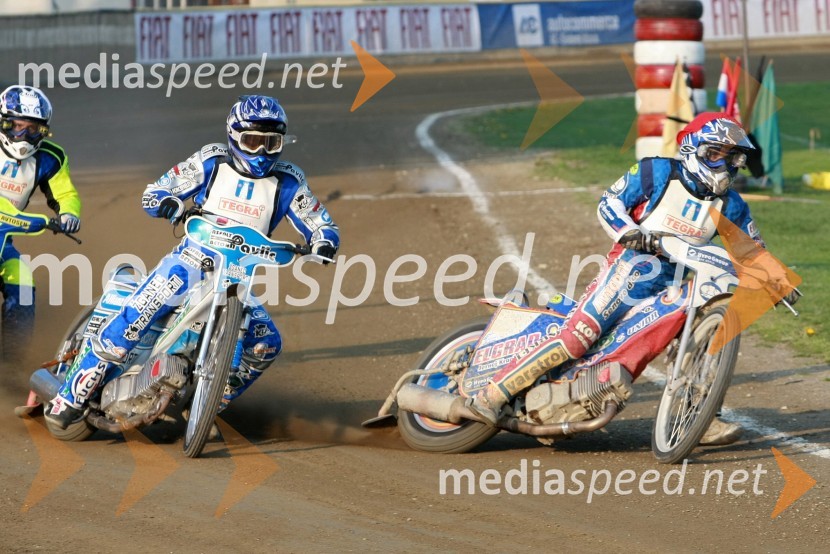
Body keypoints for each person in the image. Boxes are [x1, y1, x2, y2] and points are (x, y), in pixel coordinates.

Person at [469, 112, 798, 445]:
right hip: (632, 267)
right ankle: (493, 394)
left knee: (704, 337)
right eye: (714, 154)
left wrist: (776, 280)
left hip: (681, 282)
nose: (723, 165)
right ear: (691, 149)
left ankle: (701, 413)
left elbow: (752, 250)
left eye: (731, 158)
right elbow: (610, 202)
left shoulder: (732, 204)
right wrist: (630, 233)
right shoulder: (655, 171)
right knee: (577, 339)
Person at [44, 95, 339, 429]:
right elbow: (156, 191)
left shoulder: (290, 180)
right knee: (135, 317)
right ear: (234, 136)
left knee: (266, 343)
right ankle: (70, 397)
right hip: (191, 260)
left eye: (271, 143)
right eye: (253, 141)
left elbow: (320, 221)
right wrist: (169, 203)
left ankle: (208, 399)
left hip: (239, 273)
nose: (261, 152)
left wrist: (324, 240)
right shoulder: (211, 160)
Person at [0, 85, 81, 351]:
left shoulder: (52, 157)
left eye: (33, 130)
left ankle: (11, 358)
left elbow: (65, 192)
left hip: (3, 238)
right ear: (4, 122)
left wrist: (69, 212)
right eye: (18, 126)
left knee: (23, 280)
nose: (23, 135)